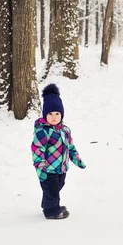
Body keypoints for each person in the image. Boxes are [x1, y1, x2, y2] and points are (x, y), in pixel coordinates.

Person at [32, 84, 86, 219]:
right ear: (45, 114)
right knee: (52, 190)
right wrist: (41, 168)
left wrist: (77, 159)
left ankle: (49, 204)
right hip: (49, 169)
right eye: (50, 114)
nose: (54, 117)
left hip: (61, 168)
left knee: (58, 186)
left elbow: (70, 147)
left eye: (57, 114)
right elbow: (37, 150)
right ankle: (52, 211)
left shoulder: (65, 130)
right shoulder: (42, 131)